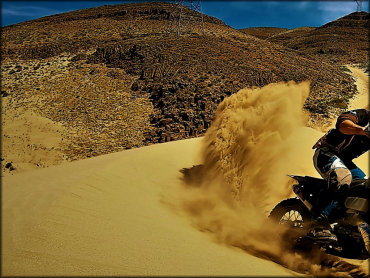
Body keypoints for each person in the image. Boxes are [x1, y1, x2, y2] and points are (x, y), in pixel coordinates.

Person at [311, 109, 370, 252]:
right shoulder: (363, 116)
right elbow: (343, 124)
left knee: (362, 187)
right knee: (344, 178)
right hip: (326, 152)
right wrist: (362, 130)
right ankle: (319, 224)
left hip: (345, 161)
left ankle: (347, 227)